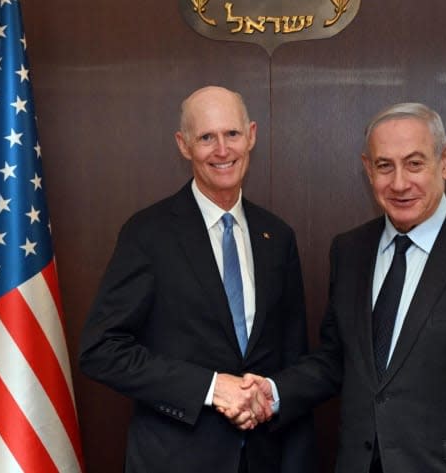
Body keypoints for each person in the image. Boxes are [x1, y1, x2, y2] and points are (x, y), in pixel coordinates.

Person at [240, 102, 446, 472]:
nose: (400, 183)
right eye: (385, 166)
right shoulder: (349, 251)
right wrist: (273, 393)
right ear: (368, 169)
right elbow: (337, 360)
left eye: (415, 163)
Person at [79, 86, 314, 473]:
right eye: (206, 138)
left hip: (264, 458)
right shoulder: (148, 234)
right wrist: (210, 388)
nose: (222, 150)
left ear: (251, 135)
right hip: (175, 459)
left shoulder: (277, 236)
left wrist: (267, 400)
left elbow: (293, 358)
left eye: (232, 134)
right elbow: (101, 350)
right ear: (184, 145)